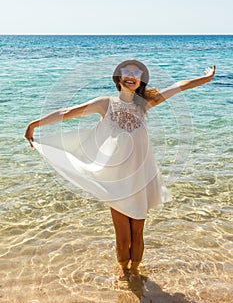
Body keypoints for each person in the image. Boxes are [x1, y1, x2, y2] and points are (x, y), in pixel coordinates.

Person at [25, 59, 215, 281]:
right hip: (117, 182)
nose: (132, 75)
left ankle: (135, 271)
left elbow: (180, 86)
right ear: (118, 77)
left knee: (138, 234)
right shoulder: (105, 103)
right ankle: (123, 271)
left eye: (137, 73)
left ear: (140, 81)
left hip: (141, 179)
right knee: (122, 237)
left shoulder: (144, 104)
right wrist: (34, 124)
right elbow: (67, 112)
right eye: (128, 71)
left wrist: (207, 78)